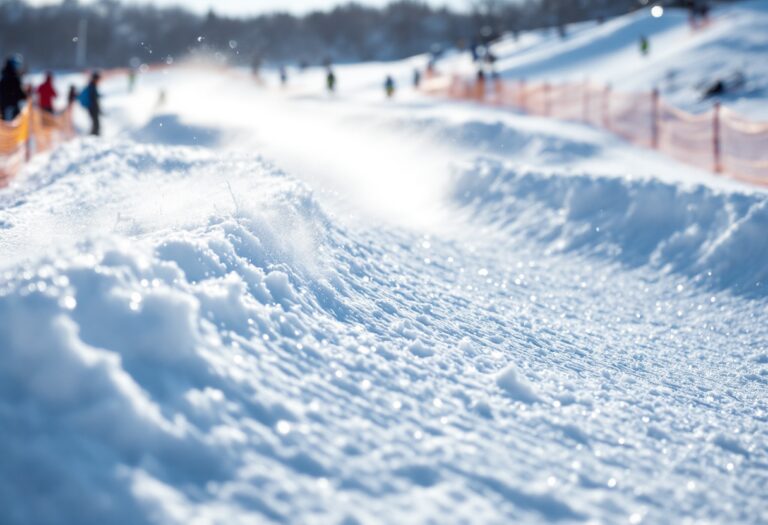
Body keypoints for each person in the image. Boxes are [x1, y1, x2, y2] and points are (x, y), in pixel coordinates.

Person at [0, 57, 26, 121]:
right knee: (9, 125)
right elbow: (17, 91)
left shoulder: (6, 76)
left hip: (8, 105)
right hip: (10, 106)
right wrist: (24, 96)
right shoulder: (11, 77)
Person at [82, 71, 102, 136]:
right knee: (96, 123)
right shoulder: (92, 86)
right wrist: (98, 108)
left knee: (95, 122)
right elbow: (94, 99)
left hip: (91, 107)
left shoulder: (91, 85)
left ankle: (93, 135)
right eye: (98, 79)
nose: (99, 81)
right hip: (93, 107)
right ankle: (94, 136)